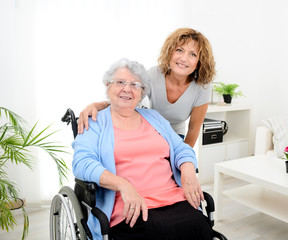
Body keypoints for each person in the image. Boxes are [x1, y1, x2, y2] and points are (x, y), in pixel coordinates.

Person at [72, 58, 212, 240]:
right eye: (120, 82)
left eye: (135, 85)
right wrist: (123, 185)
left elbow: (181, 149)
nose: (127, 89)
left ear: (141, 93)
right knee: (155, 231)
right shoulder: (94, 122)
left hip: (173, 198)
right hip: (129, 205)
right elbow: (82, 163)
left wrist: (187, 170)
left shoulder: (154, 117)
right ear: (108, 87)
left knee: (198, 226)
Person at [78, 28, 216, 147]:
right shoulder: (153, 75)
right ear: (170, 53)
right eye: (179, 50)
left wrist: (183, 160)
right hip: (148, 130)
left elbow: (193, 129)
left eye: (193, 54)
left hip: (175, 135)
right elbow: (127, 98)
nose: (184, 58)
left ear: (200, 62)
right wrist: (98, 105)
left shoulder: (202, 87)